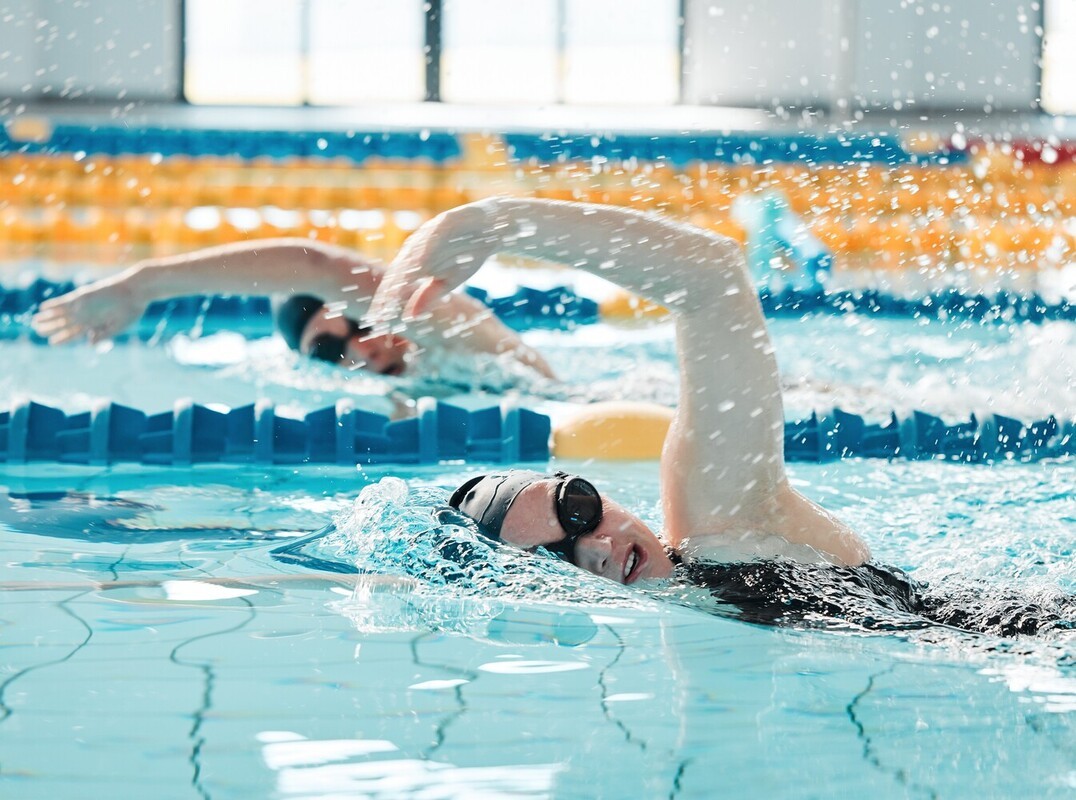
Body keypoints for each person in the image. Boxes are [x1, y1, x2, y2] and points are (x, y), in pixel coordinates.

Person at [365, 197, 1073, 637]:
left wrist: (499, 221)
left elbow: (707, 279)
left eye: (576, 509)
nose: (599, 548)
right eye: (556, 558)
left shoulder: (725, 526)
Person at [30, 238, 555, 380]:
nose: (359, 349)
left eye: (356, 322)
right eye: (328, 351)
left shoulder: (445, 323)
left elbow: (317, 267)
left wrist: (143, 285)